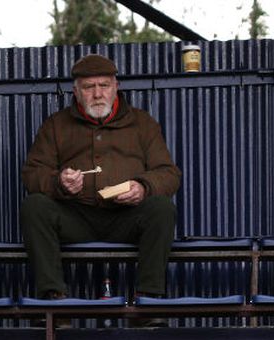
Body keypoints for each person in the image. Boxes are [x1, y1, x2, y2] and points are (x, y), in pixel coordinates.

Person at [20, 53, 181, 300]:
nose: (97, 94)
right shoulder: (56, 125)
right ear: (76, 91)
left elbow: (169, 174)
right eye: (89, 87)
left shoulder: (142, 123)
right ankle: (53, 300)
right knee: (34, 207)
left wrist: (143, 187)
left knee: (162, 208)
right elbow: (32, 174)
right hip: (76, 218)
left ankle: (148, 300)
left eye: (104, 85)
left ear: (116, 87)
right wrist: (59, 182)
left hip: (126, 219)